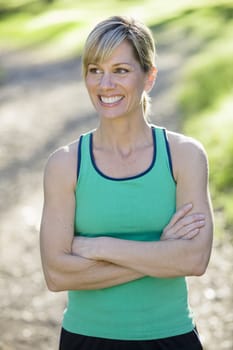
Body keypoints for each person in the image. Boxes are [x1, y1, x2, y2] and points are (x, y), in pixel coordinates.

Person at [40, 16, 213, 350]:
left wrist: (99, 246)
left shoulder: (184, 156)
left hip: (170, 337)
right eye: (95, 70)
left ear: (149, 77)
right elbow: (57, 275)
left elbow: (194, 260)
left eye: (120, 70)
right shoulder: (65, 165)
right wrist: (162, 253)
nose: (105, 84)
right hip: (87, 340)